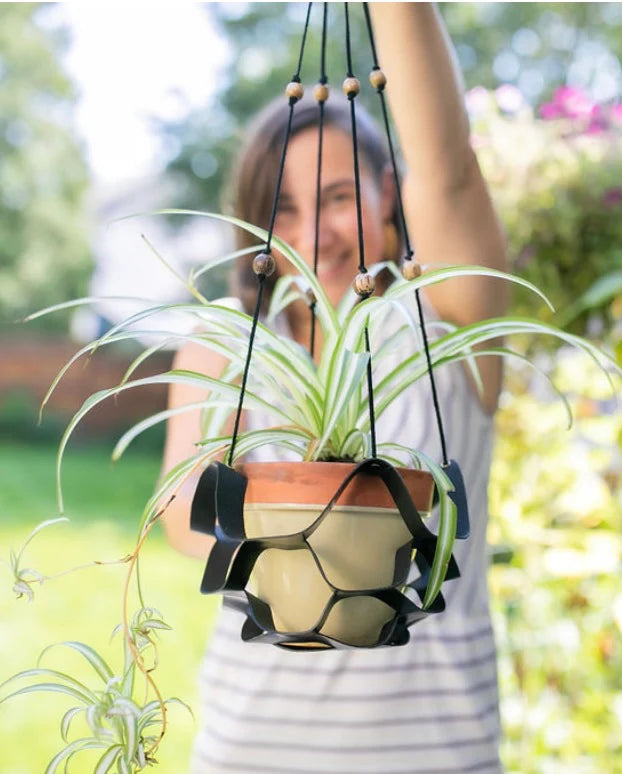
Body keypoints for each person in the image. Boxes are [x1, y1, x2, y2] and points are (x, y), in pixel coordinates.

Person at [161, 4, 509, 772]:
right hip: (250, 751)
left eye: (339, 196)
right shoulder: (229, 341)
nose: (314, 234)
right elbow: (185, 524)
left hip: (433, 755)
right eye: (282, 208)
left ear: (392, 200)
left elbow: (449, 168)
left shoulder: (445, 319)